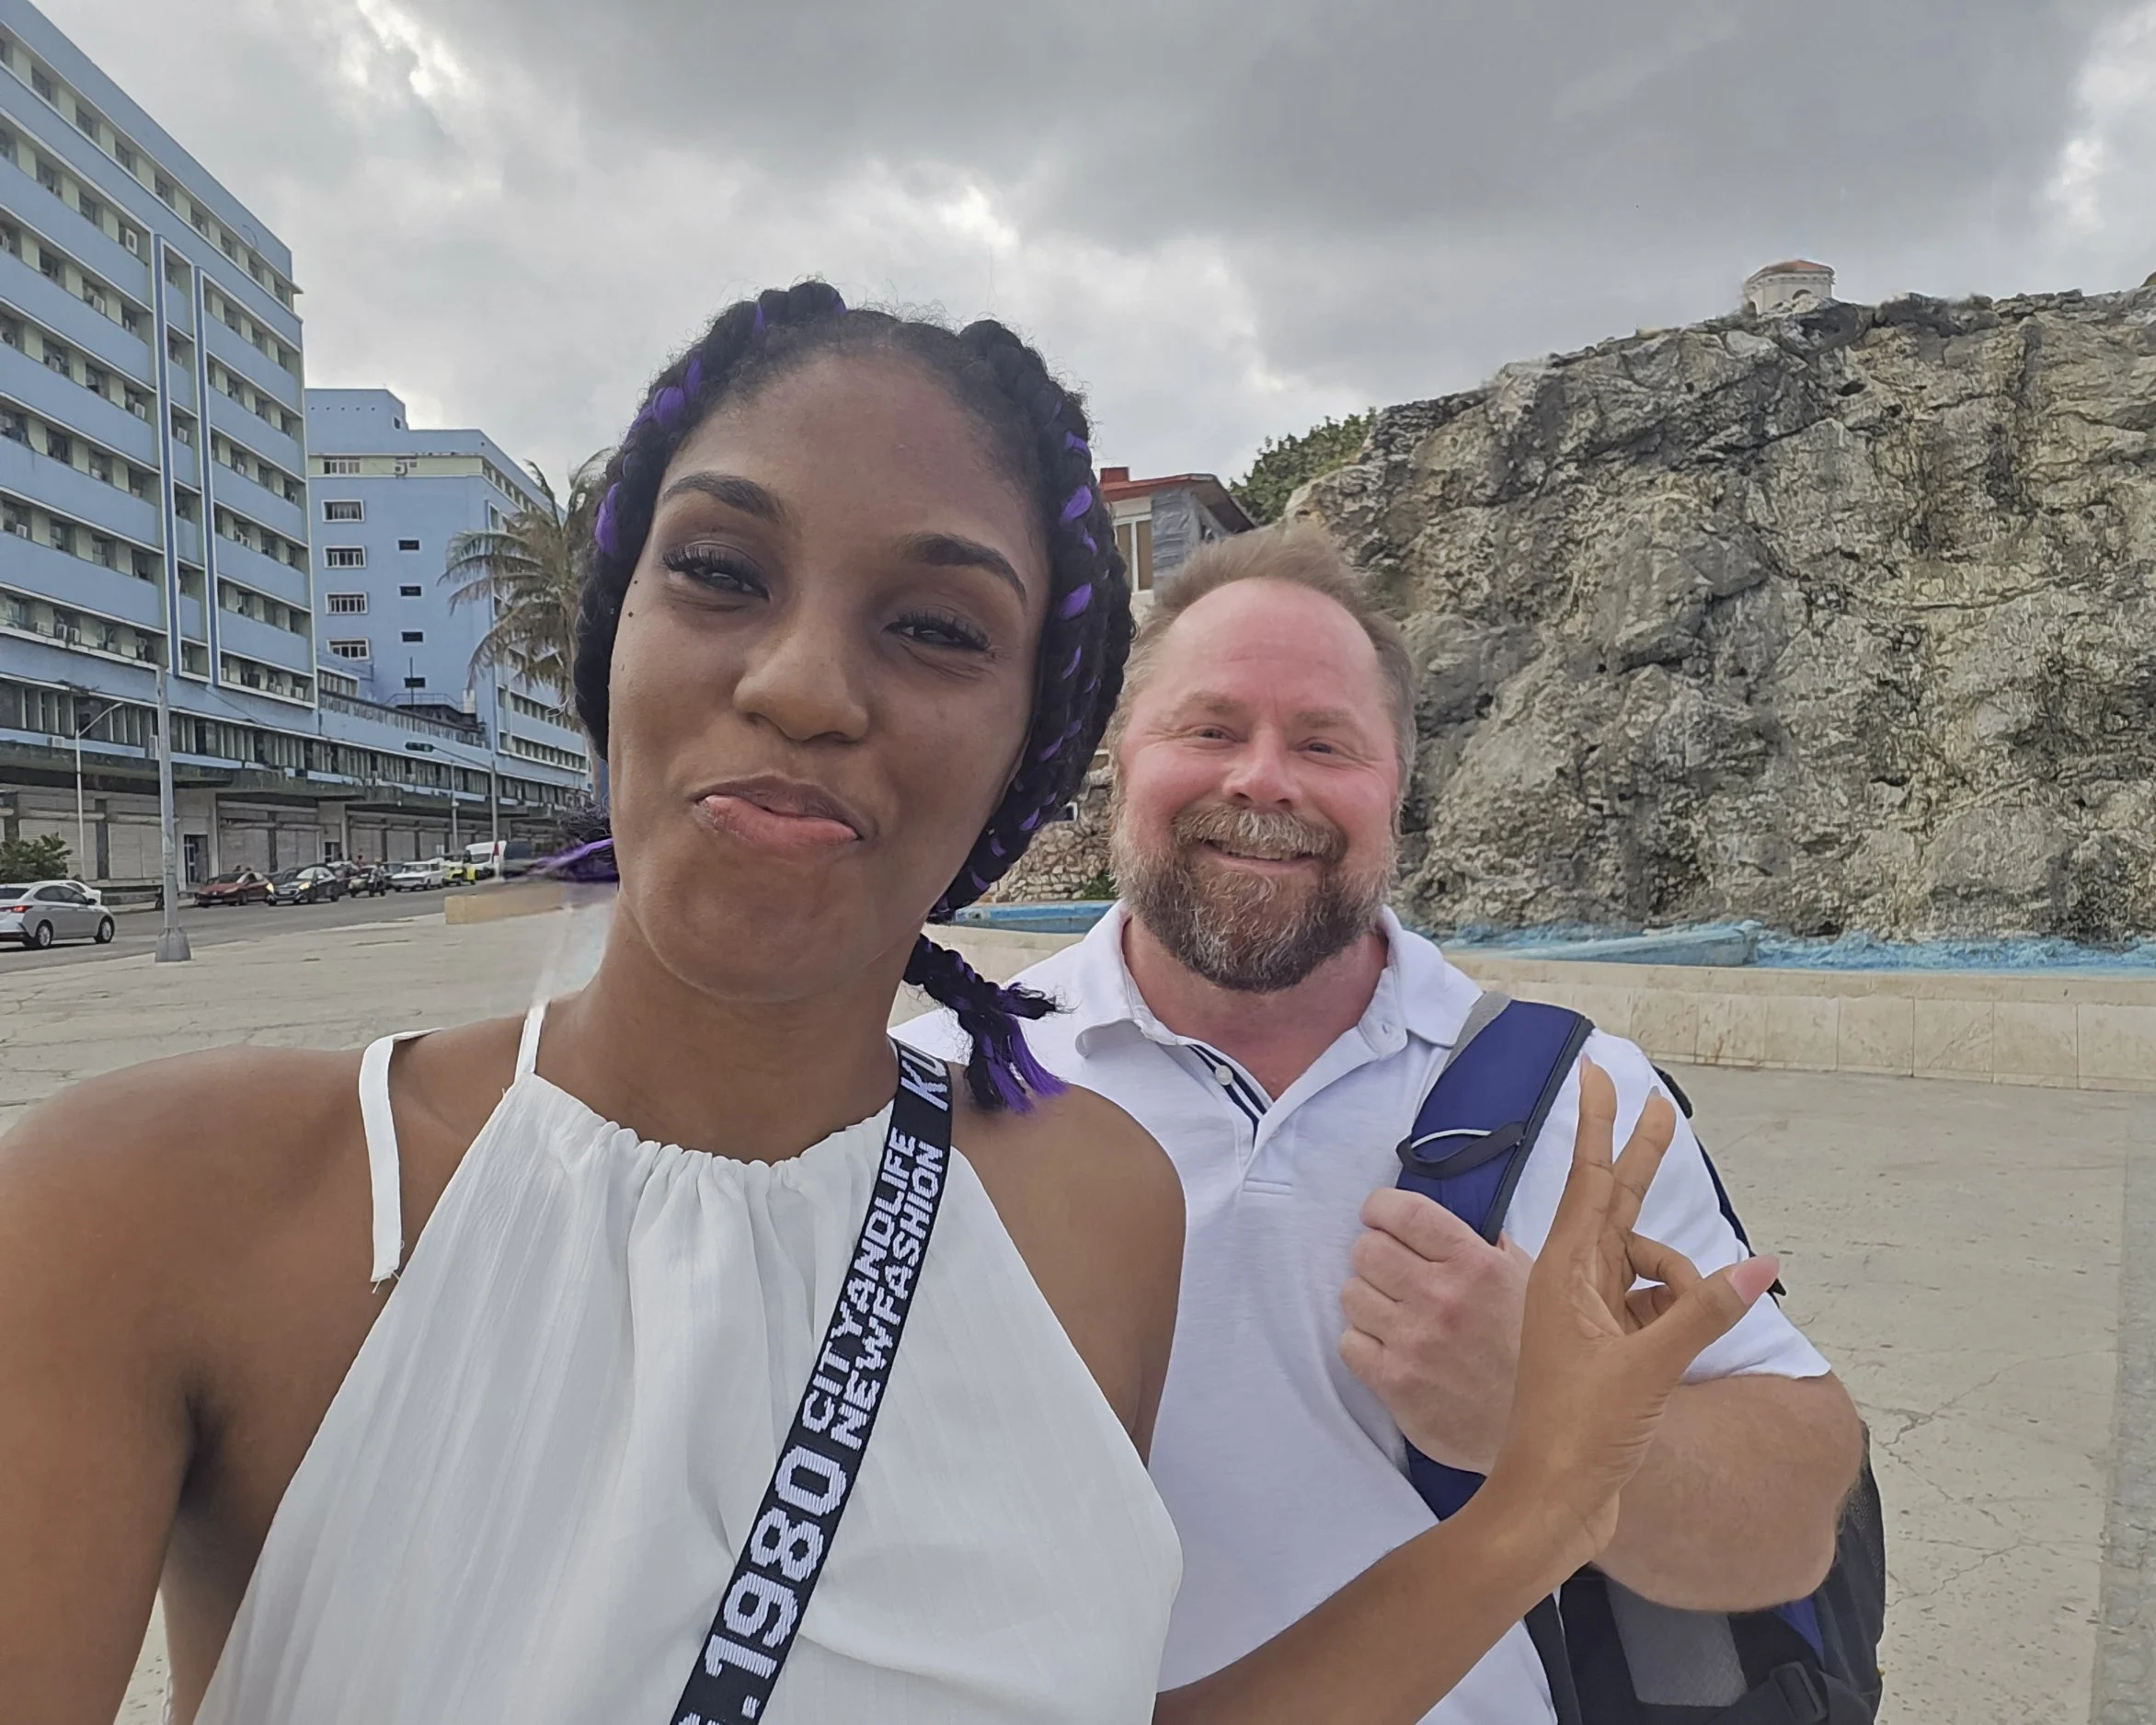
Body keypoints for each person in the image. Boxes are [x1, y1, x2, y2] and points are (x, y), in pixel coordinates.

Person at [0, 284, 1778, 1725]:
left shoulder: (1095, 1210)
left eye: (934, 627)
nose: (799, 682)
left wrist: (1548, 1493)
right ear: (608, 630)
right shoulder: (161, 1204)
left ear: (1026, 752)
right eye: (720, 571)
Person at [901, 525, 1866, 1721]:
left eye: (1325, 742)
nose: (1264, 779)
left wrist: (1545, 1414)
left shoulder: (1580, 1097)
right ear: (1120, 766)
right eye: (1210, 730)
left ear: (1396, 792)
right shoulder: (928, 1090)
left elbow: (1791, 1526)